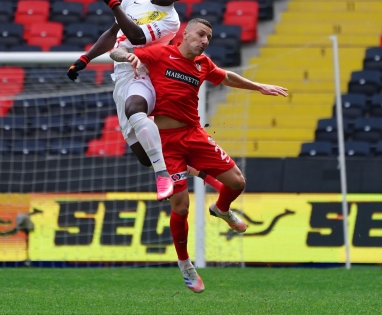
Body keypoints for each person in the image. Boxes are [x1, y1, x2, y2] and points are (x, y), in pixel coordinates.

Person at [110, 18, 288, 293]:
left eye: (208, 38)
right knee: (181, 207)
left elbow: (225, 76)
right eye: (201, 34)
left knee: (237, 183)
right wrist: (129, 55)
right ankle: (185, 264)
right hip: (166, 143)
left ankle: (221, 209)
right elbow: (115, 52)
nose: (205, 41)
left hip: (194, 135)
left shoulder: (203, 63)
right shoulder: (160, 53)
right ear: (185, 33)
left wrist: (258, 87)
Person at [66, 0, 222, 201]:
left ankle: (163, 176)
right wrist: (86, 58)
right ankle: (204, 174)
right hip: (121, 75)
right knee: (145, 157)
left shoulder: (171, 20)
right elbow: (113, 33)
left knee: (135, 108)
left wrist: (113, 4)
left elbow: (137, 37)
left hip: (145, 71)